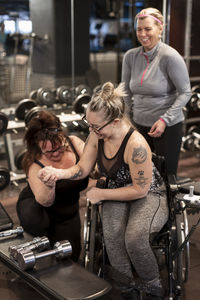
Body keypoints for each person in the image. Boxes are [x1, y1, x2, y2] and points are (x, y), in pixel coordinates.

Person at [38, 82, 169, 300]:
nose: (91, 130)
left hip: (149, 194)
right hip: (117, 190)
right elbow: (82, 169)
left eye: (96, 126)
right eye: (88, 124)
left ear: (116, 121)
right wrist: (57, 173)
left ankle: (153, 285)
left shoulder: (135, 144)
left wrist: (101, 194)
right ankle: (127, 288)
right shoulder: (97, 136)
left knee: (134, 238)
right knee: (113, 237)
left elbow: (140, 189)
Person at [121, 7, 191, 177]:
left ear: (160, 29)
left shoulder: (170, 56)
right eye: (139, 29)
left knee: (165, 177)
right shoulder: (130, 56)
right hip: (138, 126)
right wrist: (131, 116)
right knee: (140, 175)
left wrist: (164, 120)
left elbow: (185, 92)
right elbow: (125, 89)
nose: (143, 34)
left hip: (165, 127)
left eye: (148, 29)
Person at [16, 110, 89, 262]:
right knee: (45, 256)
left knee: (72, 256)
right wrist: (49, 185)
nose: (55, 154)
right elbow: (45, 201)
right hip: (39, 208)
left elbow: (94, 169)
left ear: (62, 135)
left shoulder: (75, 143)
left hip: (68, 209)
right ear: (38, 145)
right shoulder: (33, 163)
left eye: (58, 148)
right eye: (48, 151)